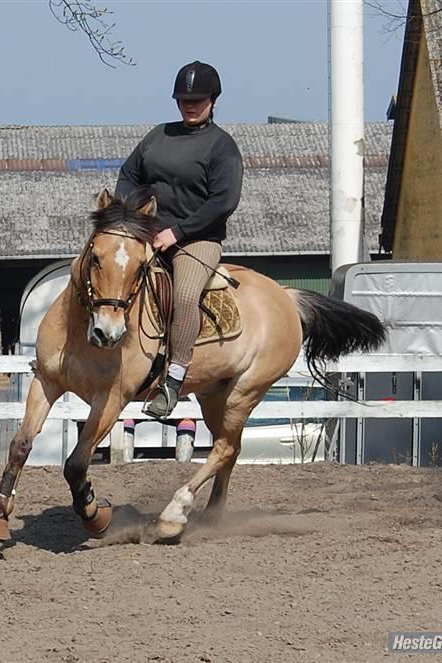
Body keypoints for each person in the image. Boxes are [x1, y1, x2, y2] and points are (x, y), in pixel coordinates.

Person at [115, 60, 244, 418]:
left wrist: (179, 231)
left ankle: (173, 381)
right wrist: (129, 213)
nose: (189, 104)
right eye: (183, 99)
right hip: (150, 233)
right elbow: (129, 175)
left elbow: (223, 201)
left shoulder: (222, 147)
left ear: (214, 100)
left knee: (185, 295)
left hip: (196, 238)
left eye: (198, 99)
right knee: (112, 275)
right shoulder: (159, 135)